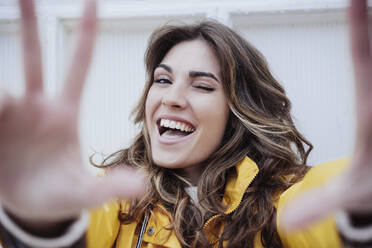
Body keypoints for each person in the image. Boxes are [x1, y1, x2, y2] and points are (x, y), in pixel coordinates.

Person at [0, 0, 372, 247]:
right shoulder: (117, 199)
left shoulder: (281, 203)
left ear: (240, 110)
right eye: (162, 80)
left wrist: (357, 220)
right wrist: (38, 224)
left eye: (202, 85)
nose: (171, 97)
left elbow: (326, 205)